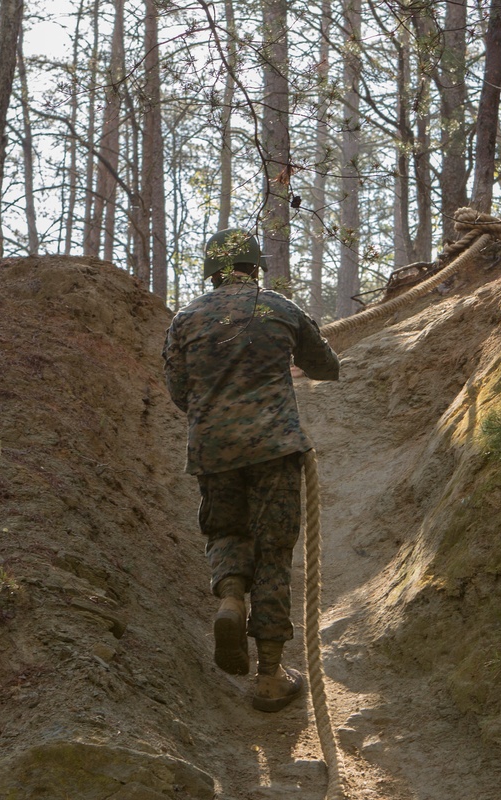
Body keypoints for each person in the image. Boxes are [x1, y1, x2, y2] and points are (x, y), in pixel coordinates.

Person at [162, 228, 340, 712]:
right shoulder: (279, 308)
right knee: (273, 552)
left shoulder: (186, 318)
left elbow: (180, 391)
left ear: (212, 271)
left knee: (225, 532)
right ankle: (268, 677)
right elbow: (327, 366)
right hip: (274, 449)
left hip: (213, 451)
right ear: (254, 266)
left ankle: (230, 600)